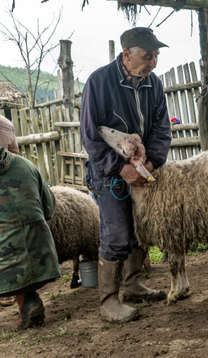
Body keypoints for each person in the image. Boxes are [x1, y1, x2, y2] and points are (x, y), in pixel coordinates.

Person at [80, 27, 171, 323]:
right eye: (148, 56)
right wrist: (121, 168)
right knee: (117, 232)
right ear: (127, 55)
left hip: (141, 167)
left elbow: (161, 129)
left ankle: (132, 284)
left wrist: (152, 163)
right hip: (107, 170)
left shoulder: (153, 84)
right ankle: (108, 300)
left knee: (140, 226)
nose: (153, 62)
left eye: (156, 55)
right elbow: (90, 136)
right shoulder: (100, 82)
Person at [0, 146, 61, 329]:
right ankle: (29, 302)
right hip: (43, 256)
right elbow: (49, 208)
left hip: (6, 266)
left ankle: (27, 300)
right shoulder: (26, 165)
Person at [0, 115, 20, 308]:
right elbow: (16, 156)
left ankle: (6, 291)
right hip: (10, 189)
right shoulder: (6, 124)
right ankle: (9, 290)